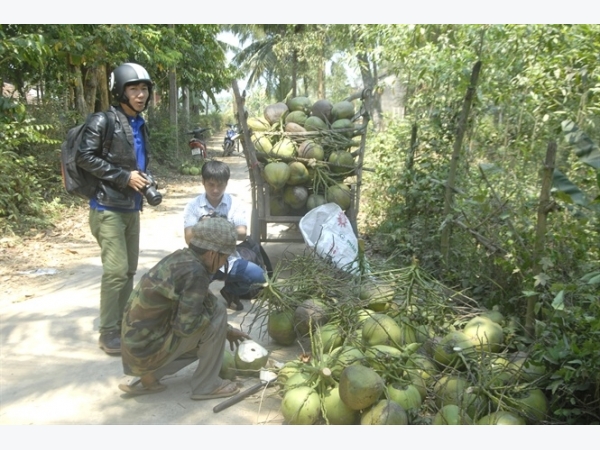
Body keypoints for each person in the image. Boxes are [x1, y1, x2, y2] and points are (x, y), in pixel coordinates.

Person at [118, 217, 249, 399]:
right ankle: (206, 386)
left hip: (139, 347)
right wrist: (218, 330)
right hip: (146, 349)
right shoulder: (196, 273)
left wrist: (226, 331)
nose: (223, 264)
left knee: (212, 316)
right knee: (217, 313)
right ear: (212, 254)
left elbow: (199, 300)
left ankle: (149, 376)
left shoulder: (181, 258)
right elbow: (186, 327)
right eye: (225, 258)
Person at [76, 62, 157, 355]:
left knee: (129, 270)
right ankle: (108, 331)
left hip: (131, 208)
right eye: (133, 89)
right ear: (120, 92)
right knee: (115, 271)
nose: (140, 95)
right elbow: (85, 156)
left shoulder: (140, 123)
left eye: (144, 88)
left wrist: (145, 178)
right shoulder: (103, 120)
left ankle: (123, 322)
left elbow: (138, 161)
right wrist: (124, 177)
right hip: (107, 206)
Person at [183, 160, 267, 311]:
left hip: (229, 260)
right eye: (211, 184)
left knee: (259, 277)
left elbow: (242, 233)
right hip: (202, 261)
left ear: (226, 183)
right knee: (190, 294)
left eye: (220, 185)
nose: (215, 190)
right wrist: (218, 228)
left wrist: (212, 228)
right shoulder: (193, 206)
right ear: (203, 182)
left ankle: (231, 291)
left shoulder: (234, 203)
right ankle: (202, 294)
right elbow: (189, 238)